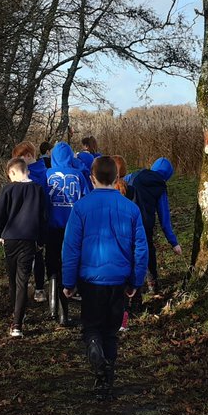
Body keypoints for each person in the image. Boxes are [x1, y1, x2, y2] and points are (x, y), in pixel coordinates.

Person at [61, 156, 148, 395]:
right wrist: (135, 281)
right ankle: (105, 381)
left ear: (92, 178)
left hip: (90, 280)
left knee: (91, 327)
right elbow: (141, 248)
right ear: (117, 177)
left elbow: (70, 247)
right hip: (119, 280)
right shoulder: (131, 208)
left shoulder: (81, 207)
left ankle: (95, 357)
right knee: (111, 332)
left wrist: (68, 282)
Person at [0, 157, 50, 338]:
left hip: (10, 239)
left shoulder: (7, 190)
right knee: (22, 279)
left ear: (12, 172)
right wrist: (41, 240)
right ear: (28, 171)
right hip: (29, 239)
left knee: (12, 277)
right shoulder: (38, 190)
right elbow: (43, 218)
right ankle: (17, 322)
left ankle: (16, 314)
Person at [45, 141, 88, 321]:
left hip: (52, 227)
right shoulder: (78, 176)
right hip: (73, 227)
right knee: (70, 263)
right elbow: (87, 198)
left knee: (53, 264)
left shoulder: (47, 175)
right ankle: (66, 311)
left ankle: (53, 307)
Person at [126, 157, 183, 294]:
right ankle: (152, 284)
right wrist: (174, 243)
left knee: (128, 255)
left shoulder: (133, 176)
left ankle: (134, 295)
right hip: (145, 226)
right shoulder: (160, 188)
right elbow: (165, 219)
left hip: (126, 222)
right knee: (147, 253)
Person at [13, 141, 48, 302]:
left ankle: (38, 287)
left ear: (28, 156)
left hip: (35, 218)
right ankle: (36, 287)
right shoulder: (44, 170)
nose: (18, 161)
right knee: (34, 254)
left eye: (20, 158)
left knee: (36, 254)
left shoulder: (34, 173)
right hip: (34, 218)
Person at [111, 154, 137, 331]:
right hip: (127, 240)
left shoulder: (106, 191)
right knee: (124, 282)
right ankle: (123, 318)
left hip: (110, 240)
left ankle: (109, 316)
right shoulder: (132, 190)